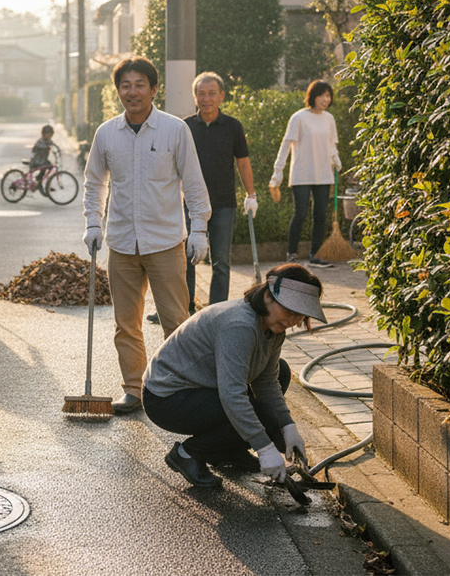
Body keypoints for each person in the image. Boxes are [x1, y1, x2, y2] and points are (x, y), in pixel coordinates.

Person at [82, 56, 211, 415]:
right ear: (118, 91)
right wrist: (93, 223)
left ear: (154, 89)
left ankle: (182, 388)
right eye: (126, 85)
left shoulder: (174, 130)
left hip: (166, 242)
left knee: (176, 321)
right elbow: (94, 182)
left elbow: (194, 183)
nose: (132, 91)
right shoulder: (107, 133)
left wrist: (199, 230)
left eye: (140, 85)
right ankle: (134, 389)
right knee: (126, 324)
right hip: (121, 242)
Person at [143, 263, 327, 488]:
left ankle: (227, 451)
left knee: (281, 373)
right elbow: (232, 396)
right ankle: (187, 454)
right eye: (288, 311)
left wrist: (288, 426)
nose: (291, 321)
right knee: (256, 414)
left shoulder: (273, 328)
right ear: (268, 296)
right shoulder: (239, 325)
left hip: (203, 387)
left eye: (299, 316)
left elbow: (266, 381)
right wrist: (264, 447)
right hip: (167, 397)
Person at [147, 72, 256, 324]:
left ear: (221, 96)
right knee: (184, 260)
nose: (205, 98)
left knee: (221, 262)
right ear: (194, 97)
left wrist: (251, 195)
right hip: (188, 204)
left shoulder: (233, 127)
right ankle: (182, 309)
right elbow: (169, 165)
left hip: (223, 203)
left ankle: (215, 313)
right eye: (200, 93)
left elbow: (243, 163)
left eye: (211, 93)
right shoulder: (184, 127)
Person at [269, 80, 342, 268]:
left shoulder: (329, 119)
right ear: (313, 96)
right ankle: (291, 254)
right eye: (322, 95)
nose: (326, 99)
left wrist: (336, 159)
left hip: (323, 174)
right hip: (302, 173)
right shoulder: (299, 117)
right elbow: (286, 145)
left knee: (320, 215)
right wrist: (278, 172)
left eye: (329, 96)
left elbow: (331, 144)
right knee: (300, 213)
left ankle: (315, 255)